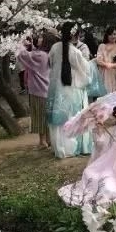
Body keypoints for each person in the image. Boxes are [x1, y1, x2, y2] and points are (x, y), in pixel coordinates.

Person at [48, 22, 94, 158]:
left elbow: (50, 64)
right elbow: (85, 70)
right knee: (73, 118)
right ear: (76, 34)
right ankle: (72, 148)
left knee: (58, 120)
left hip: (56, 89)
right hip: (72, 88)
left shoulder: (55, 48)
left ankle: (59, 148)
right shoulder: (75, 51)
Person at [16, 31, 54, 149]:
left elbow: (23, 55)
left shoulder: (40, 55)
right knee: (46, 116)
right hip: (47, 88)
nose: (39, 38)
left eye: (42, 37)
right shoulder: (47, 54)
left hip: (38, 89)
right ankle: (48, 139)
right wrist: (31, 46)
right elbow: (32, 54)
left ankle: (42, 141)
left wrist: (19, 43)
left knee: (39, 116)